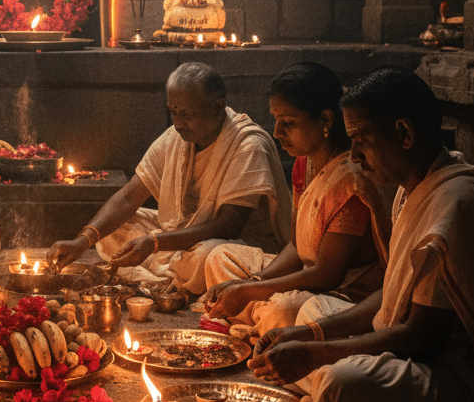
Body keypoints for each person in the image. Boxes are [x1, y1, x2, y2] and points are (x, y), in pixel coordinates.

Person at [248, 66, 474, 402]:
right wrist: (311, 336)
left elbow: (420, 337)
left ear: (404, 134)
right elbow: (391, 297)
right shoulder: (414, 190)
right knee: (304, 316)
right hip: (418, 357)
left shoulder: (458, 203)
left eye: (361, 140)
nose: (353, 154)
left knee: (345, 381)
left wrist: (316, 353)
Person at [47, 62, 292, 284]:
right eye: (173, 112)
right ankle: (173, 276)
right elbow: (128, 197)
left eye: (186, 114)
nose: (177, 123)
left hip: (234, 246)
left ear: (218, 107)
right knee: (118, 227)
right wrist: (82, 242)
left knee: (208, 256)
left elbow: (228, 226)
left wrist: (155, 243)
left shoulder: (247, 144)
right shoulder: (176, 137)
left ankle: (167, 275)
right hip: (182, 238)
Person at [200, 62, 391, 336]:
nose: (277, 133)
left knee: (287, 309)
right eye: (276, 120)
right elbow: (295, 246)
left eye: (288, 123)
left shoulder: (349, 181)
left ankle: (262, 323)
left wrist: (249, 290)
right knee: (219, 257)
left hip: (342, 294)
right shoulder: (304, 163)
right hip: (306, 274)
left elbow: (326, 275)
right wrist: (254, 281)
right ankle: (260, 323)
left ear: (325, 120)